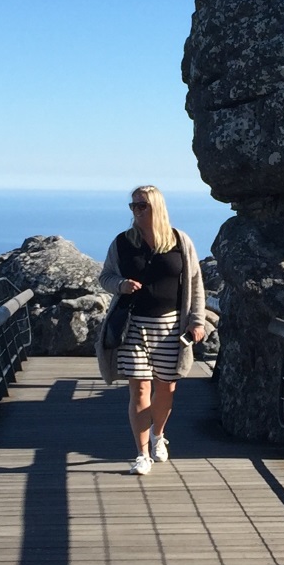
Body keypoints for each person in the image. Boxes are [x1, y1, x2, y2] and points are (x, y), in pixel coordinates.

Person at [97, 186, 209, 476]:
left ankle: (159, 434)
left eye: (142, 206)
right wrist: (120, 285)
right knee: (140, 389)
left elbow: (195, 285)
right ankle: (141, 454)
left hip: (171, 328)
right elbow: (105, 277)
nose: (136, 211)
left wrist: (197, 321)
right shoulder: (122, 243)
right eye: (133, 206)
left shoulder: (179, 241)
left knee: (166, 388)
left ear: (157, 207)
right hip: (133, 326)